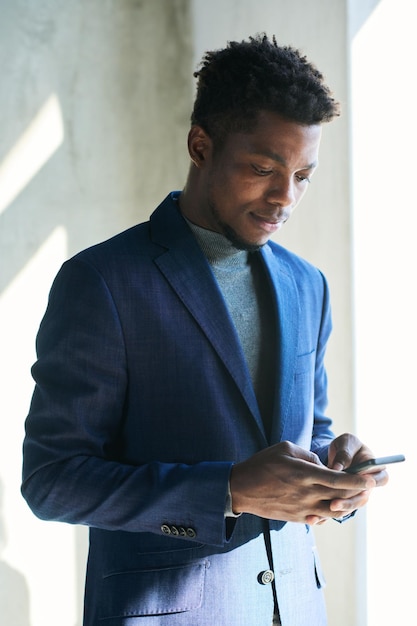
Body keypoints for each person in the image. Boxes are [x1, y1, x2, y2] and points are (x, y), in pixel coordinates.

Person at [21, 34, 388, 626]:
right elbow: (52, 482)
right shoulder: (103, 281)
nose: (284, 197)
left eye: (303, 175)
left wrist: (336, 472)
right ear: (200, 145)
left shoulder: (307, 284)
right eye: (264, 168)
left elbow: (309, 434)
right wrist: (230, 491)